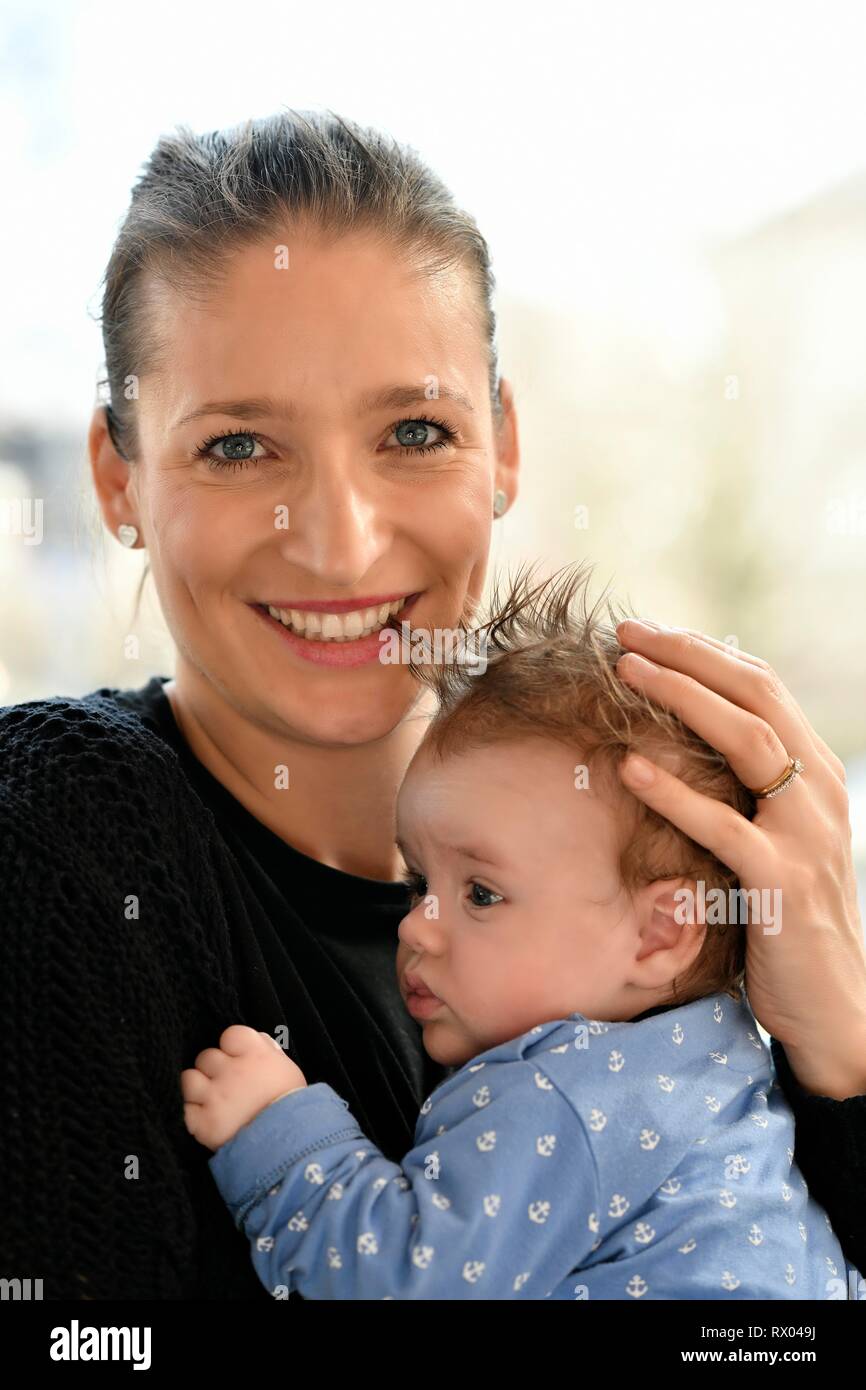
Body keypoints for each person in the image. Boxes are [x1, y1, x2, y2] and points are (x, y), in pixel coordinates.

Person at [1, 110, 864, 1302]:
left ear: (502, 445)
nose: (342, 543)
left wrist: (838, 1063)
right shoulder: (52, 840)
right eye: (240, 447)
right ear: (117, 479)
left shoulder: (648, 858)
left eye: (415, 431)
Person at [181, 565, 863, 1300]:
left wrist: (281, 1138)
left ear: (662, 932)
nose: (416, 925)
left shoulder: (565, 1094)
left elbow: (403, 1282)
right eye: (418, 881)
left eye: (481, 892)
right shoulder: (715, 1067)